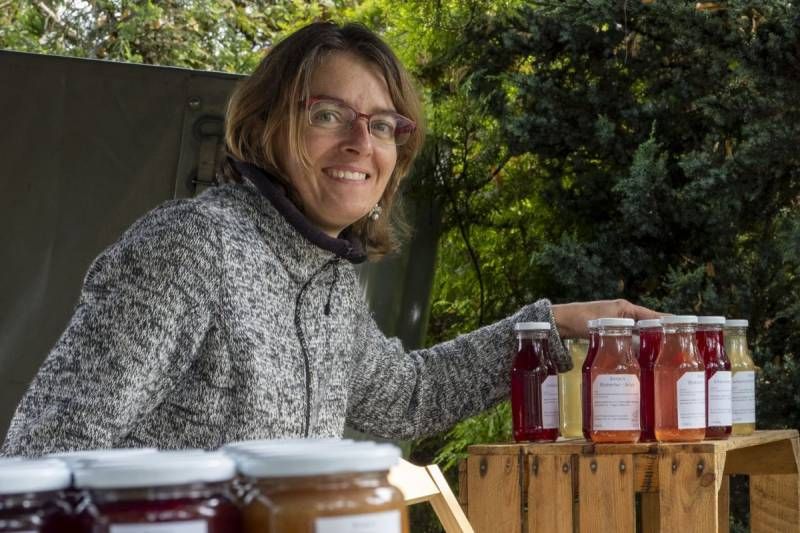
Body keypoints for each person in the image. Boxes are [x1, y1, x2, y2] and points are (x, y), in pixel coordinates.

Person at [1, 22, 659, 457]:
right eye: (326, 115)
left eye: (380, 125)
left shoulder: (329, 282)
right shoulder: (192, 248)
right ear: (264, 126)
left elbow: (409, 398)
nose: (358, 143)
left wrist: (551, 328)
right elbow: (42, 453)